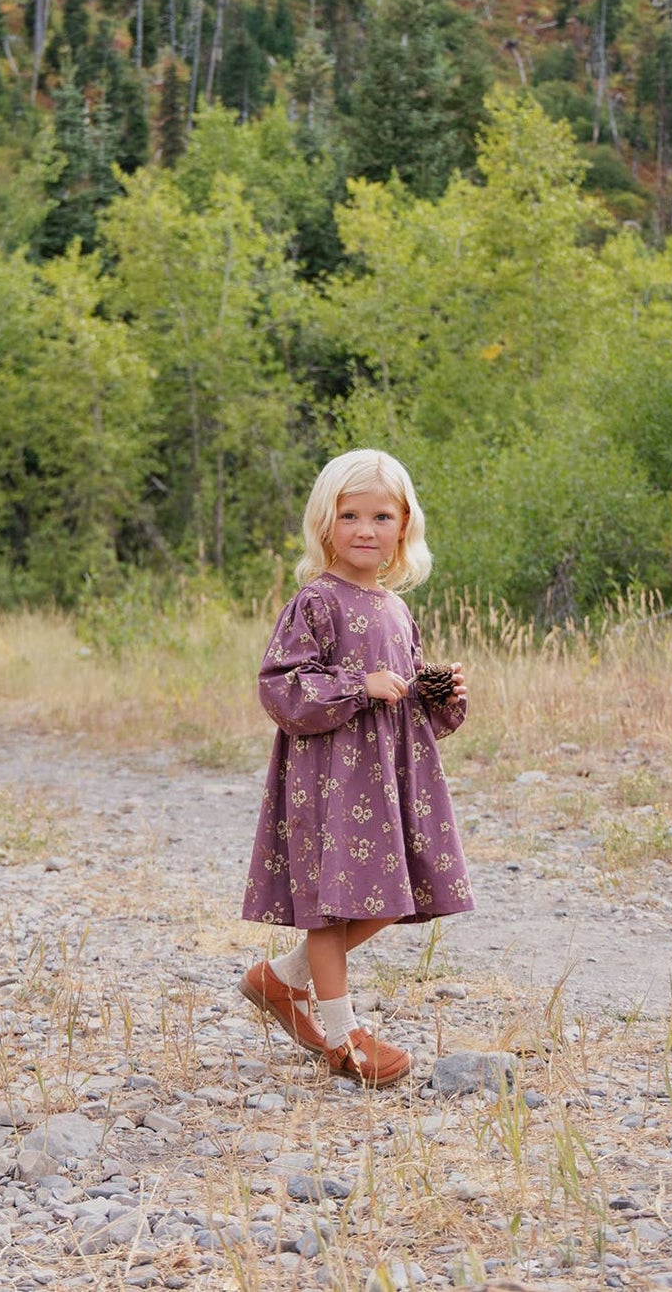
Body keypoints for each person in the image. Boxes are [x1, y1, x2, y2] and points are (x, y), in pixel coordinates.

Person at [239, 449, 472, 1088]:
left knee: (397, 891)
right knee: (333, 905)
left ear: (404, 527)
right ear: (325, 524)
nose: (365, 530)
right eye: (349, 515)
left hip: (390, 779)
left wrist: (435, 693)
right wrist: (358, 684)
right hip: (331, 779)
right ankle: (343, 1039)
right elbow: (282, 687)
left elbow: (409, 702)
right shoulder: (316, 602)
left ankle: (282, 979)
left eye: (380, 516)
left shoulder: (396, 608)